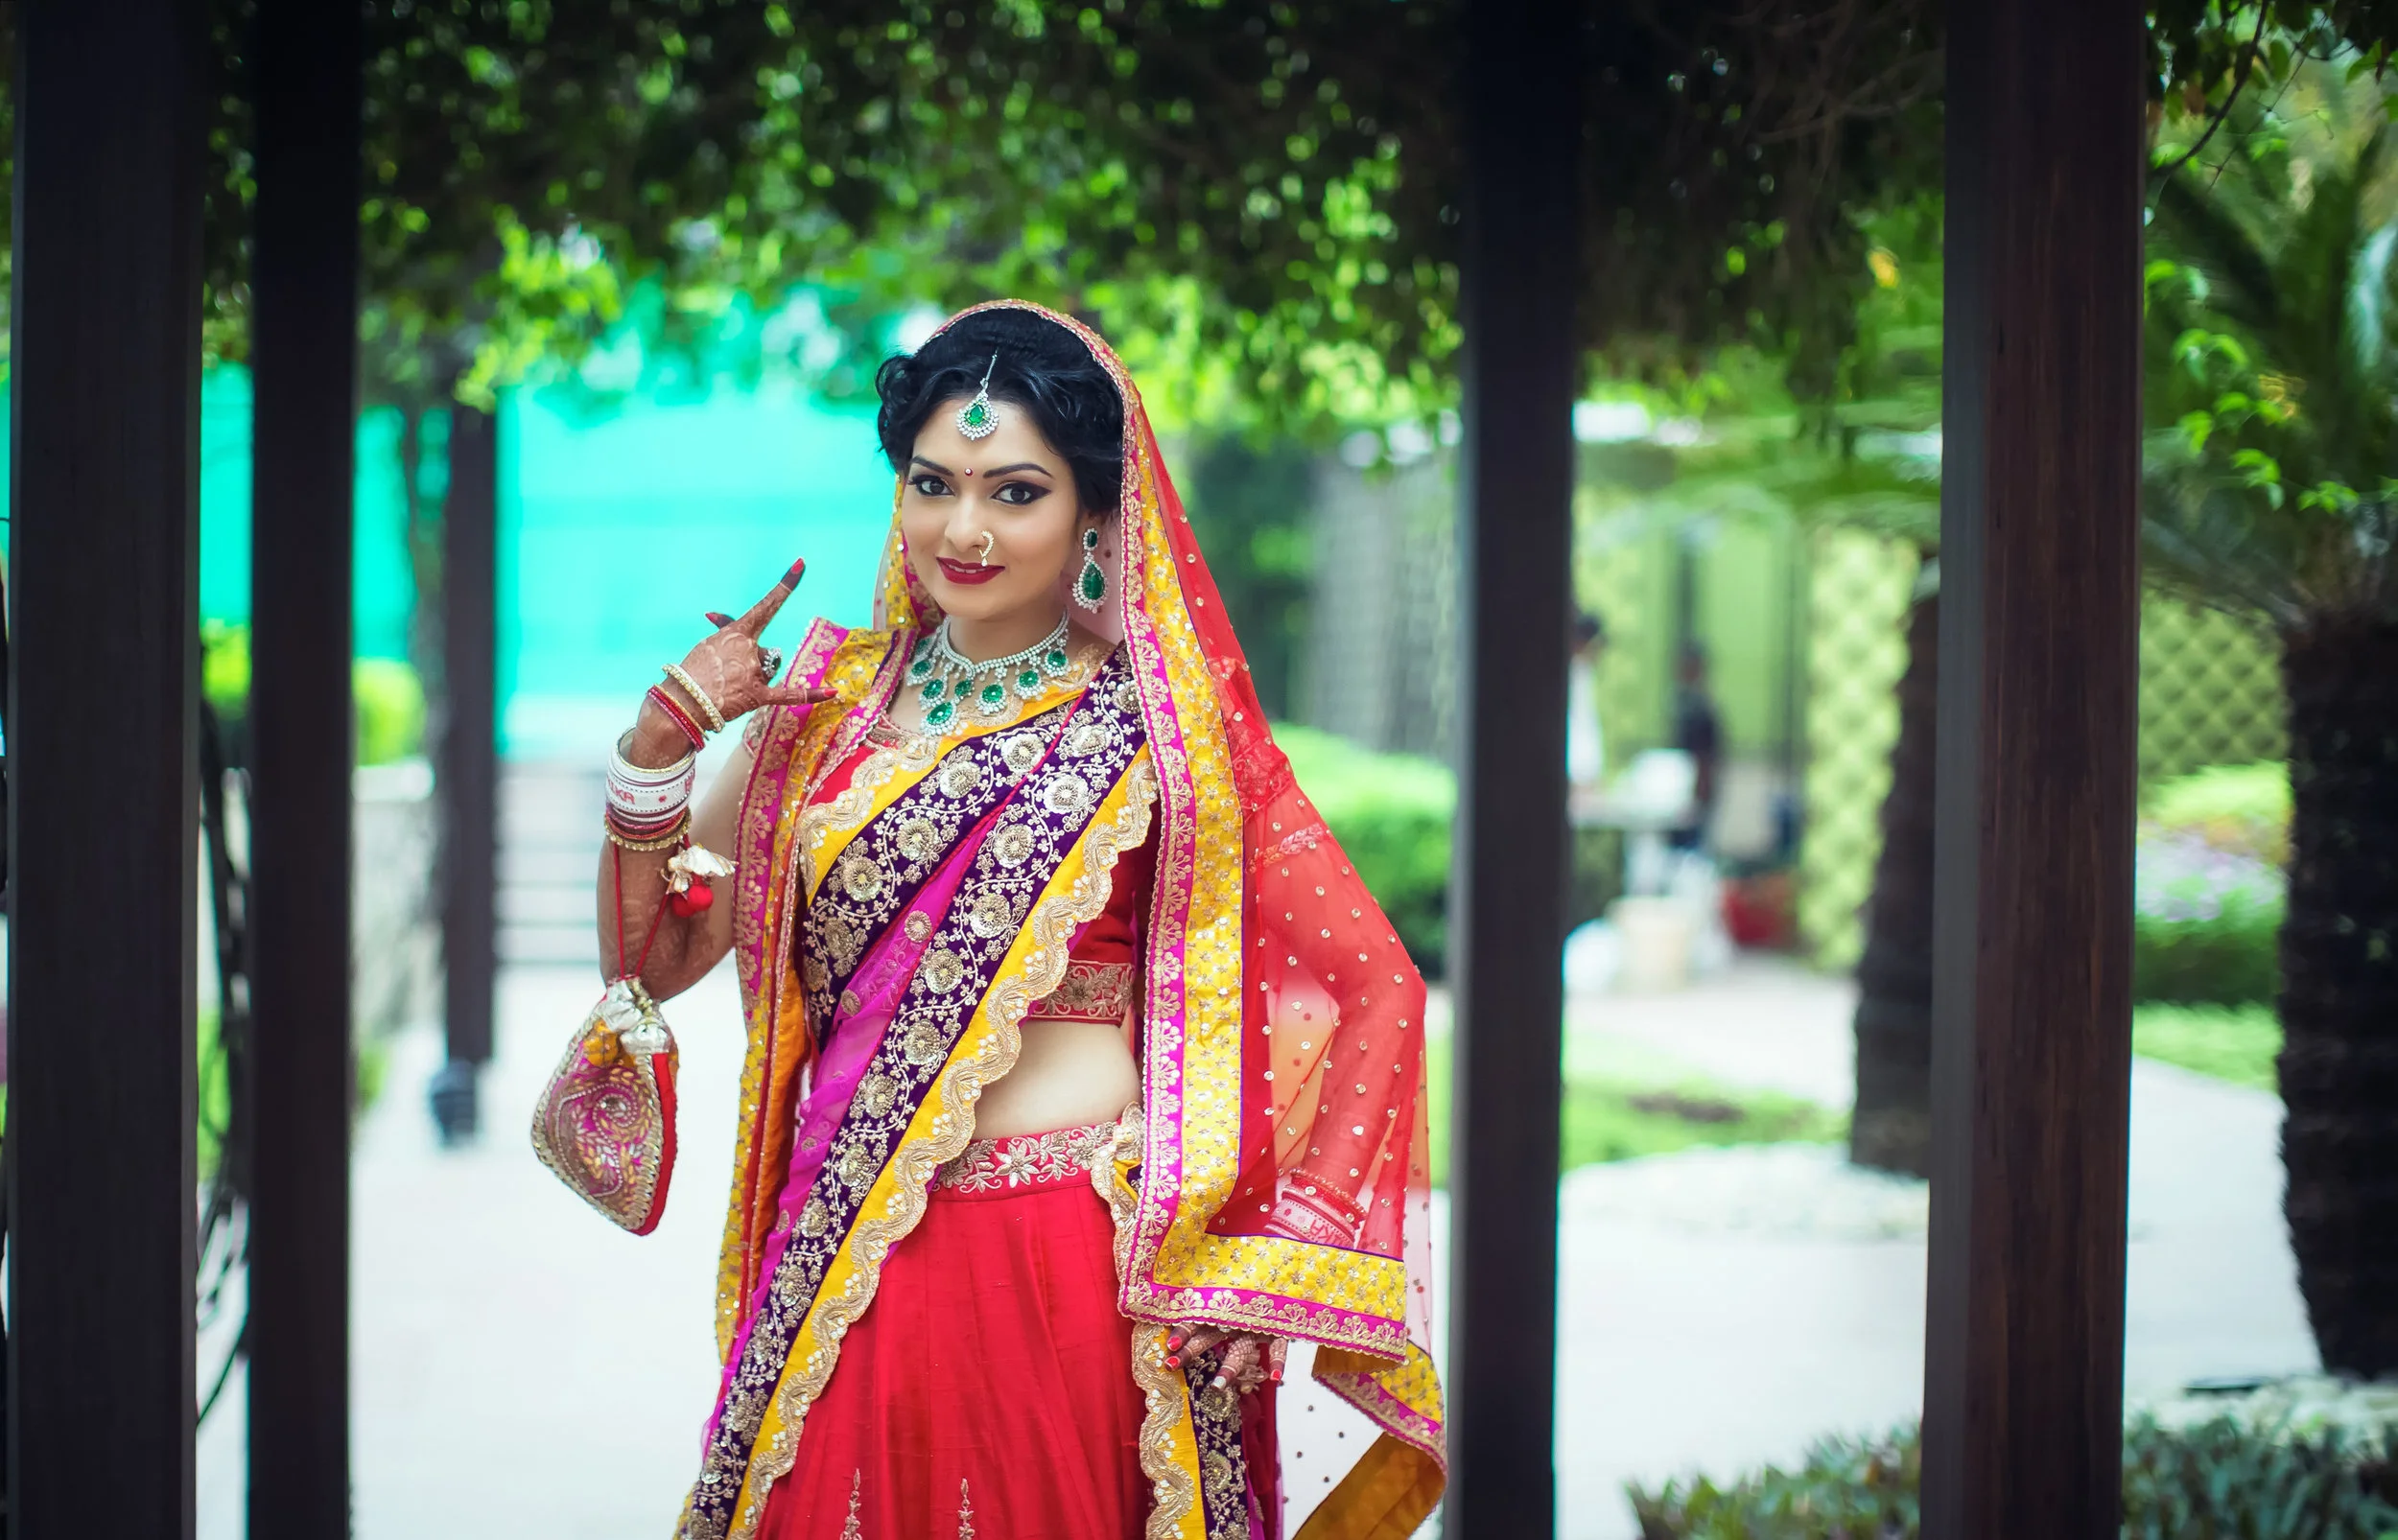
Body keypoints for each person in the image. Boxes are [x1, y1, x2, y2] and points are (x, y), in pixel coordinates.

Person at [593, 302, 1444, 1540]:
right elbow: (653, 958)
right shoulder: (818, 708)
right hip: (850, 1247)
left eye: (1016, 490)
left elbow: (1377, 984)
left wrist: (1278, 1252)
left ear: (1097, 512)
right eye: (934, 483)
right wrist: (658, 747)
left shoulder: (1167, 731)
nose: (965, 527)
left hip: (1079, 1262)